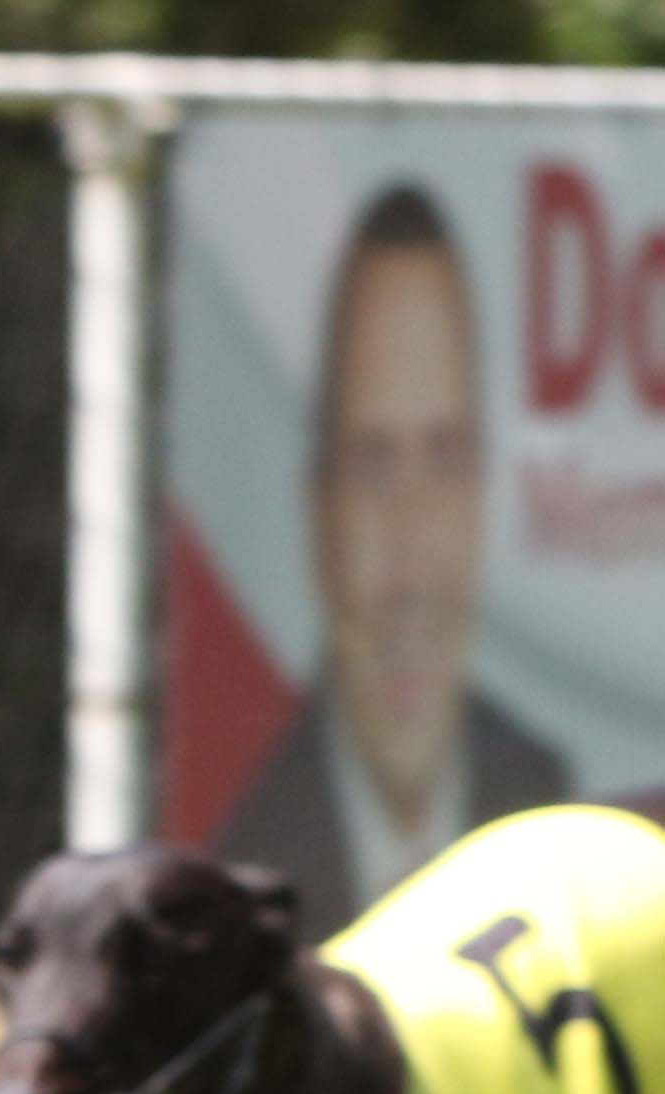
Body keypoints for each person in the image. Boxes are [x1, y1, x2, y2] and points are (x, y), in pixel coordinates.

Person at [217, 182, 572, 936]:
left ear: (482, 497)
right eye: (373, 465)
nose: (409, 559)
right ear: (316, 516)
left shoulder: (546, 803)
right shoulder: (241, 867)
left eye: (443, 458)